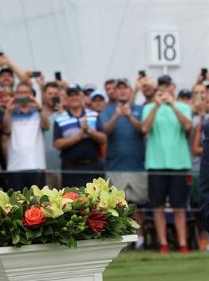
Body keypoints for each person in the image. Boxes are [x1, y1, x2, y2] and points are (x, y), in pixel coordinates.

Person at [141, 75, 192, 254]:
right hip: (156, 163)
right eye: (161, 86)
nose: (165, 89)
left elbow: (187, 127)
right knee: (158, 206)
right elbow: (145, 128)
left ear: (173, 87)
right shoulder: (148, 107)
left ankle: (182, 243)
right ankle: (163, 243)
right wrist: (157, 105)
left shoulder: (184, 106)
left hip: (179, 163)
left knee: (179, 206)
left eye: (167, 86)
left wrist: (172, 105)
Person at [100, 79, 146, 248]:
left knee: (138, 205)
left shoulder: (139, 109)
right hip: (115, 166)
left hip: (136, 165)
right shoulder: (108, 110)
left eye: (124, 88)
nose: (122, 92)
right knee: (118, 206)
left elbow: (143, 128)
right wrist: (117, 115)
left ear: (129, 91)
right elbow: (105, 130)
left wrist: (129, 116)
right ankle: (122, 240)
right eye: (118, 89)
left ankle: (140, 240)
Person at [54, 83, 107, 188]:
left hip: (93, 167)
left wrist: (89, 131)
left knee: (96, 202)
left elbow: (103, 139)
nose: (74, 97)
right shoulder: (60, 119)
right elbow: (57, 144)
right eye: (71, 95)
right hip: (71, 168)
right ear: (66, 98)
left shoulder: (93, 115)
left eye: (76, 94)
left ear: (82, 96)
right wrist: (78, 136)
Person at [2, 82, 48, 191]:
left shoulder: (38, 112)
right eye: (20, 92)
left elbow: (46, 125)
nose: (23, 95)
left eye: (26, 92)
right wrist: (9, 110)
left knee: (38, 204)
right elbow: (5, 129)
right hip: (15, 167)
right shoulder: (11, 113)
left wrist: (39, 108)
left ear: (32, 94)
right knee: (17, 204)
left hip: (37, 165)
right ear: (15, 95)